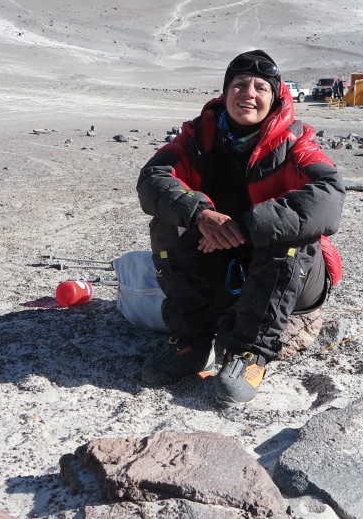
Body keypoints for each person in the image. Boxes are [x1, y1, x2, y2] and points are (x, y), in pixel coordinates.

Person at [136, 50, 345, 405]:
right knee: (169, 221)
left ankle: (249, 355)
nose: (248, 93)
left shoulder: (296, 142)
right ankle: (191, 341)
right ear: (225, 92)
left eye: (261, 87)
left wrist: (248, 226)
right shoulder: (196, 138)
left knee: (293, 234)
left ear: (275, 97)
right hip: (222, 265)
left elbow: (329, 195)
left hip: (293, 276)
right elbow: (152, 179)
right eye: (240, 84)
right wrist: (200, 214)